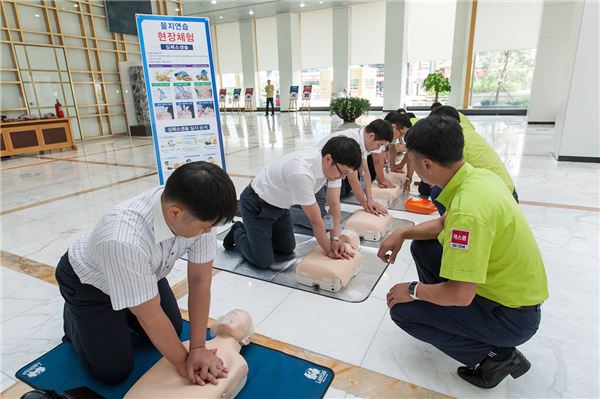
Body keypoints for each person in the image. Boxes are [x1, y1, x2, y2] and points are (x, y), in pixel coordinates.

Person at [377, 116, 548, 389]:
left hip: (510, 317)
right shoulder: (477, 177)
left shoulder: (469, 211)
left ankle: (497, 357)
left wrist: (412, 289)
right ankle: (451, 318)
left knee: (402, 310)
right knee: (423, 247)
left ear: (427, 164)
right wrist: (402, 232)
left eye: (411, 160)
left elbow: (460, 294)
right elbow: (445, 223)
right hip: (510, 297)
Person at [55, 162, 238, 384]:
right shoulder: (123, 238)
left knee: (175, 328)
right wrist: (183, 364)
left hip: (146, 273)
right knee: (113, 372)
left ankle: (125, 307)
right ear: (175, 213)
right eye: (205, 227)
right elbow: (148, 315)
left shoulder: (200, 212)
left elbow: (200, 281)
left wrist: (198, 347)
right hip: (90, 285)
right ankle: (74, 316)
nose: (209, 232)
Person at [224, 136, 362, 269]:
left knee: (286, 249)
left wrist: (335, 239)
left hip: (281, 207)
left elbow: (334, 206)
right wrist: (329, 251)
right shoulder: (301, 172)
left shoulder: (335, 167)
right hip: (257, 205)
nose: (342, 177)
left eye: (347, 173)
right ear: (328, 159)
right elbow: (316, 220)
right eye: (343, 172)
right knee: (263, 261)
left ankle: (260, 236)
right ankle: (237, 230)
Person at [428, 105, 518, 213]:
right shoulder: (465, 132)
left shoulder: (454, 141)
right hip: (507, 191)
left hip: (498, 199)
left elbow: (445, 175)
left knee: (438, 192)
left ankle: (452, 222)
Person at [368, 113, 413, 188]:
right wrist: (382, 180)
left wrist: (393, 168)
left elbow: (393, 149)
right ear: (394, 127)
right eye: (401, 134)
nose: (400, 137)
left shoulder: (391, 135)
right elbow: (378, 160)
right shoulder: (381, 134)